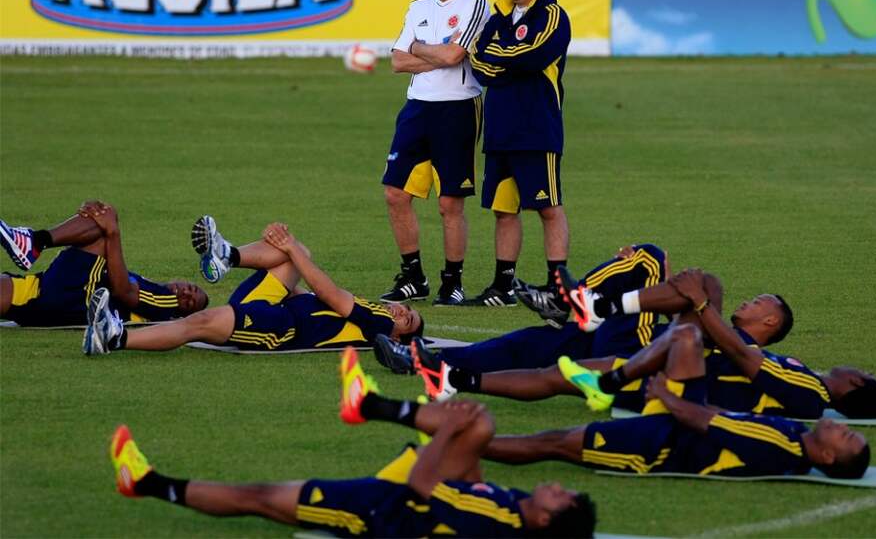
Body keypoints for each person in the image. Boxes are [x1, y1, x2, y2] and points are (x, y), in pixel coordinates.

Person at [107, 347, 596, 537]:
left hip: (382, 511)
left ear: (546, 519)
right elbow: (468, 484)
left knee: (261, 497)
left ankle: (146, 483)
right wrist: (462, 442)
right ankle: (370, 406)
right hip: (405, 496)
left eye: (561, 494)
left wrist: (447, 432)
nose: (555, 485)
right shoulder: (513, 507)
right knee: (481, 423)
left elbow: (423, 485)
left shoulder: (497, 523)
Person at [405, 268, 876, 420]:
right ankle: (597, 305)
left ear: (855, 385)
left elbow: (742, 356)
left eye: (863, 374)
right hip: (668, 358)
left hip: (669, 380)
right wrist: (700, 302)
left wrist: (701, 306)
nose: (857, 368)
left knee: (558, 376)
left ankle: (455, 379)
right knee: (703, 284)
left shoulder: (810, 393)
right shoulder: (807, 384)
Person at [481, 324, 872, 480]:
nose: (843, 429)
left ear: (827, 457)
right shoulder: (795, 435)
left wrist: (668, 397)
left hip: (662, 443)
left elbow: (707, 422)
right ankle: (611, 380)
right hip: (681, 416)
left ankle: (468, 445)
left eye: (846, 438)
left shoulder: (783, 446)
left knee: (553, 442)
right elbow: (721, 417)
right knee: (686, 334)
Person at [82, 219, 423, 355]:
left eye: (406, 319)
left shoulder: (379, 324)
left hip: (279, 326)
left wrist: (289, 248)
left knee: (199, 323)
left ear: (396, 339)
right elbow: (316, 298)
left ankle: (114, 337)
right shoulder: (373, 314)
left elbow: (329, 293)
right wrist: (289, 262)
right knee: (298, 255)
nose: (401, 310)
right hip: (277, 306)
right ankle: (225, 256)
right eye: (407, 309)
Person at [380, 0, 490, 307]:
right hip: (417, 108)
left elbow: (455, 56)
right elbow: (397, 62)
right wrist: (434, 53)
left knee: (449, 203)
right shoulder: (418, 7)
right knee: (395, 194)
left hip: (457, 108)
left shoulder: (475, 4)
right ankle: (413, 277)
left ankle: (452, 282)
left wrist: (418, 47)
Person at [374, 244, 672, 376]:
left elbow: (687, 318)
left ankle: (563, 301)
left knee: (650, 257)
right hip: (626, 348)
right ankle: (422, 361)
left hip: (637, 358)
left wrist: (667, 283)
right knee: (528, 344)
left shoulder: (696, 338)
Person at [466, 0, 571, 307]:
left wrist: (498, 57)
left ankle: (558, 287)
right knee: (503, 208)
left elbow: (533, 56)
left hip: (536, 128)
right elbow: (477, 61)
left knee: (548, 207)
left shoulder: (553, 16)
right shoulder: (499, 15)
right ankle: (503, 287)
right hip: (499, 127)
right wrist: (503, 61)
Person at [1, 202, 207, 327]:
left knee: (106, 225)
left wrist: (113, 232)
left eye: (189, 303)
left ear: (181, 314)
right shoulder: (152, 286)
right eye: (192, 289)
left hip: (75, 299)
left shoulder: (166, 304)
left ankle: (34, 243)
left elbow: (124, 292)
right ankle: (32, 244)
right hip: (44, 290)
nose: (185, 294)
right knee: (104, 218)